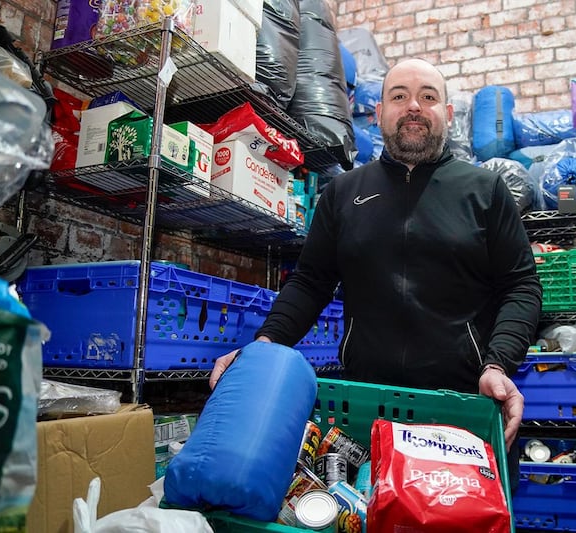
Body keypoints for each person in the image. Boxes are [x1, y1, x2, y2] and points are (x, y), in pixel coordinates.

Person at [210, 58, 543, 456]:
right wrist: (265, 343)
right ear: (381, 112)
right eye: (399, 96)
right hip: (366, 403)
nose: (414, 106)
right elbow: (311, 281)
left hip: (464, 401)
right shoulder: (342, 193)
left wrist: (499, 364)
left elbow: (521, 286)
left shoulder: (485, 190)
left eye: (428, 96)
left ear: (447, 114)